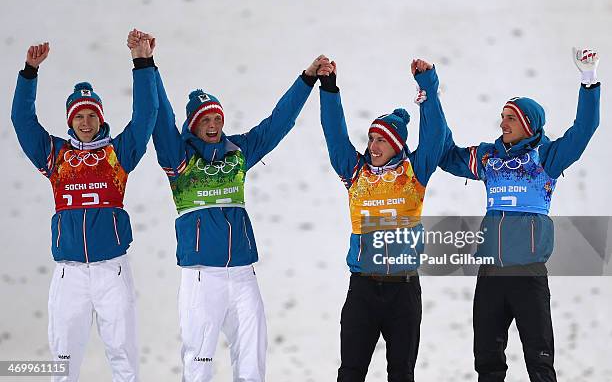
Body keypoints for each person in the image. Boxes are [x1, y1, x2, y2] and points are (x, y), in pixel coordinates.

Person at [127, 29, 325, 382]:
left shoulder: (238, 153)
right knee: (199, 363)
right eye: (206, 119)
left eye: (217, 118)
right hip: (202, 278)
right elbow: (160, 117)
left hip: (244, 276)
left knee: (252, 360)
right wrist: (145, 63)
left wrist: (307, 80)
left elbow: (277, 123)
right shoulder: (179, 158)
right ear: (193, 125)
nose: (214, 125)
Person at [438, 48, 600, 381]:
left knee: (540, 365)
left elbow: (585, 129)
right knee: (487, 364)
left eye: (510, 117)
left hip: (528, 277)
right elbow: (445, 155)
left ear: (528, 124)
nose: (502, 123)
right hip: (490, 277)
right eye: (502, 116)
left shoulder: (548, 157)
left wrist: (588, 79)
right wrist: (430, 96)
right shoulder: (488, 158)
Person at [11, 37, 158, 381]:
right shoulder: (56, 157)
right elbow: (22, 120)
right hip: (69, 274)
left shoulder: (118, 154)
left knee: (123, 355)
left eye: (92, 114)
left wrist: (142, 63)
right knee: (62, 359)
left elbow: (146, 115)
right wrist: (29, 73)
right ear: (70, 120)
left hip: (112, 271)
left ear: (101, 117)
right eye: (79, 115)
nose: (86, 122)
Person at [319, 59, 447, 382]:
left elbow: (435, 136)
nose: (372, 146)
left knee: (401, 374)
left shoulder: (414, 172)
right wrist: (329, 89)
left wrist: (427, 85)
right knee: (350, 373)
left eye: (381, 140)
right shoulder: (355, 172)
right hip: (362, 287)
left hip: (403, 291)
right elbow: (335, 137)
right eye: (371, 139)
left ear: (397, 145)